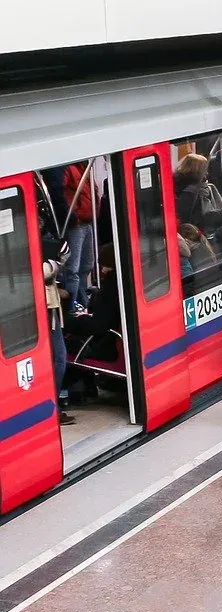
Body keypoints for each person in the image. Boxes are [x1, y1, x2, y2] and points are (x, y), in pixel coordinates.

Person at [42, 237, 74, 426]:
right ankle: (52, 406)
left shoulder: (46, 244)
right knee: (59, 358)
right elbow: (46, 273)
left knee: (58, 358)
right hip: (46, 307)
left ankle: (53, 405)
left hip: (50, 306)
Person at [60, 161, 95, 315]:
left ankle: (81, 301)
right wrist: (72, 215)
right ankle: (72, 307)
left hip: (87, 220)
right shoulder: (69, 168)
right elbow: (60, 192)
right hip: (77, 223)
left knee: (87, 264)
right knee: (73, 268)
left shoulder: (83, 167)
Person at [174, 152, 222, 248]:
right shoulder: (187, 194)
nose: (207, 173)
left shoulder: (209, 188)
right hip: (199, 237)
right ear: (198, 171)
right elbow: (187, 220)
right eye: (205, 169)